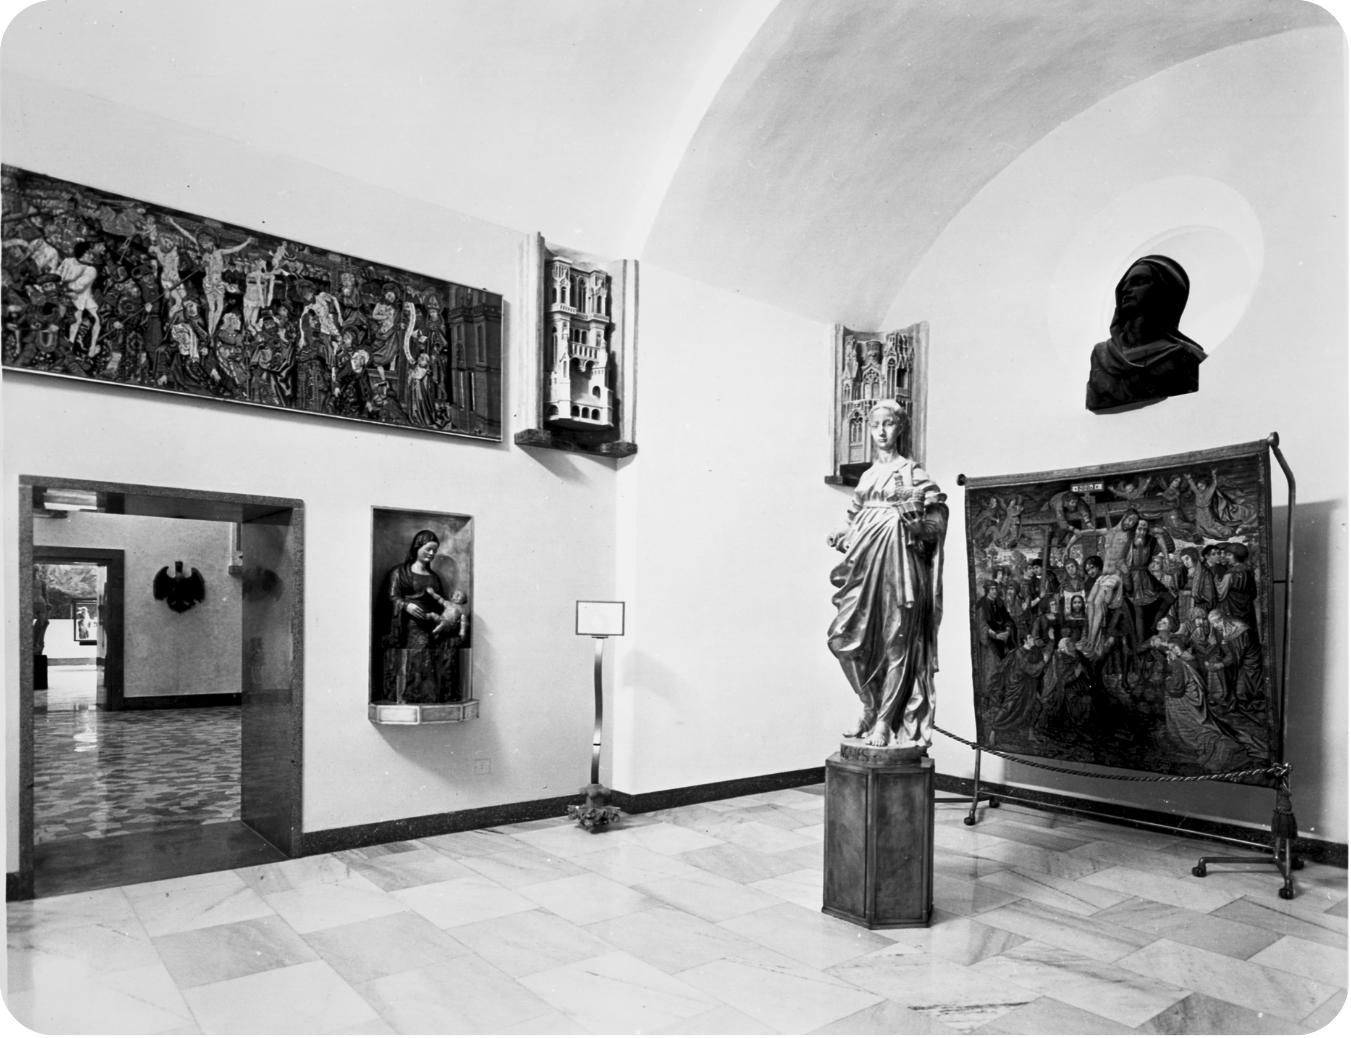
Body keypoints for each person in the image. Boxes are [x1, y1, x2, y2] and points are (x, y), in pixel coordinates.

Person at [827, 401, 947, 750]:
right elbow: (853, 518)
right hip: (864, 565)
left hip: (901, 565)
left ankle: (884, 721)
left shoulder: (914, 474)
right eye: (875, 425)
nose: (881, 432)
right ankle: (870, 704)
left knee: (897, 643)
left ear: (901, 428)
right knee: (842, 640)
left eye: (889, 424)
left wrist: (918, 525)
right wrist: (840, 531)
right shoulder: (866, 477)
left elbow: (934, 524)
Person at [1085, 254, 1206, 412]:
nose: (1126, 290)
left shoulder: (1186, 356)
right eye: (1124, 285)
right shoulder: (1101, 355)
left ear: (1164, 290)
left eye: (1139, 282)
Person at [379, 530, 465, 704]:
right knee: (420, 646)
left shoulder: (434, 577)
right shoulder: (399, 572)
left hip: (431, 620)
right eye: (428, 549)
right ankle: (414, 693)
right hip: (407, 623)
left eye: (434, 550)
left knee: (444, 648)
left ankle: (433, 693)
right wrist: (406, 605)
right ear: (417, 547)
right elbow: (391, 597)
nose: (432, 554)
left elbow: (440, 603)